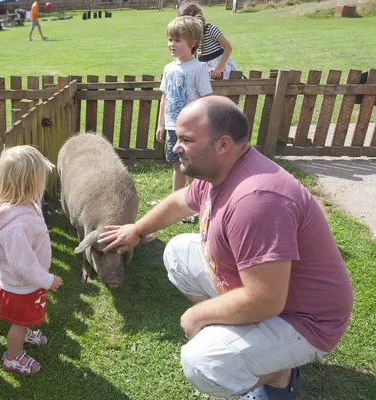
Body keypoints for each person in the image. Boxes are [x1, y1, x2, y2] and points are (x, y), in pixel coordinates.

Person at [98, 96, 353, 399]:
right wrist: (137, 230)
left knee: (202, 363)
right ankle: (247, 343)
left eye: (186, 139)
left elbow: (266, 300)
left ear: (222, 145)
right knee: (178, 252)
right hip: (274, 298)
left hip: (304, 320)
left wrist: (199, 316)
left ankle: (278, 373)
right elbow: (181, 202)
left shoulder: (256, 200)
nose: (175, 147)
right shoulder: (220, 170)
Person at [0, 145, 63, 375]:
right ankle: (13, 357)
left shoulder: (20, 206)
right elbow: (22, 264)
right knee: (18, 322)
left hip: (24, 283)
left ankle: (25, 332)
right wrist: (47, 279)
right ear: (28, 184)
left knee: (23, 318)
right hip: (21, 286)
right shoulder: (18, 225)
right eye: (40, 179)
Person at [158, 16, 212, 199]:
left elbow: (207, 99)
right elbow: (164, 97)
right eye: (170, 39)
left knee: (192, 165)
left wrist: (205, 126)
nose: (171, 44)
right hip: (173, 127)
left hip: (191, 129)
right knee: (176, 165)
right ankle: (177, 201)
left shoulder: (198, 69)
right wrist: (161, 125)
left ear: (193, 43)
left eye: (177, 40)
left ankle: (195, 200)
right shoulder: (168, 68)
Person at [178, 1, 240, 80]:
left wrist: (219, 68)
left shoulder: (210, 29)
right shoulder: (192, 37)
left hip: (221, 67)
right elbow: (193, 55)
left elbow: (228, 47)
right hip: (205, 68)